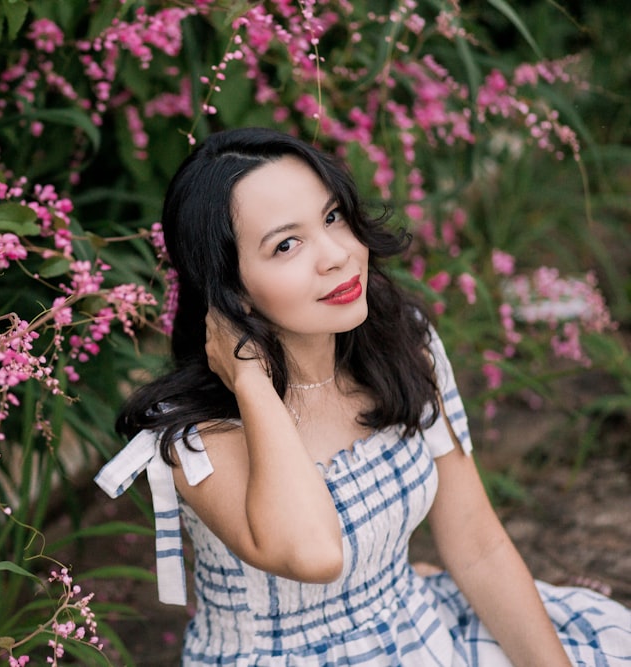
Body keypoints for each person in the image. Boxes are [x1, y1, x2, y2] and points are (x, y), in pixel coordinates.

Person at [95, 127, 631, 665]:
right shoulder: (195, 436)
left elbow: (477, 544)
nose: (336, 255)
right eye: (286, 244)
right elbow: (316, 554)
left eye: (332, 217)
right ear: (232, 290)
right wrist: (253, 385)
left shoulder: (402, 343)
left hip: (418, 633)